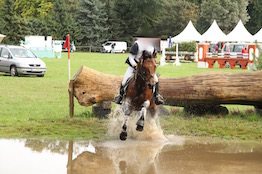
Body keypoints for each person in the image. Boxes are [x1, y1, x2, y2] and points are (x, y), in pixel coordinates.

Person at [114, 40, 164, 105]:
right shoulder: (137, 44)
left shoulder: (152, 46)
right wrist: (135, 66)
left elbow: (153, 58)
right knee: (124, 81)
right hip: (134, 65)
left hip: (146, 69)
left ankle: (156, 96)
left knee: (156, 80)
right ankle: (120, 96)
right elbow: (131, 58)